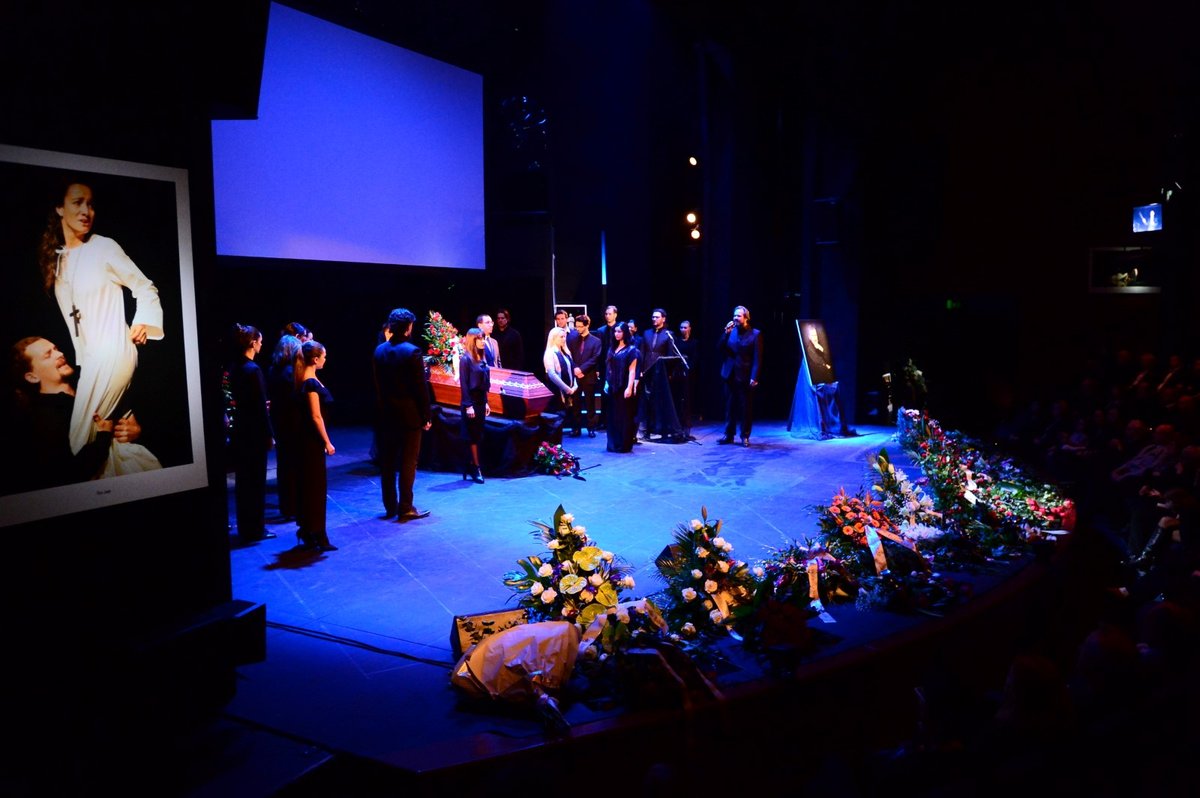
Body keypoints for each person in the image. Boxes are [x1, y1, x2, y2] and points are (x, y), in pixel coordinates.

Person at [37, 180, 164, 475]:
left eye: (91, 204)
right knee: (100, 435)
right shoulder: (57, 262)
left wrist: (143, 321)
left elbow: (145, 287)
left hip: (113, 351)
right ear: (59, 208)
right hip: (91, 359)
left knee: (79, 439)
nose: (86, 211)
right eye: (77, 202)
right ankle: (136, 476)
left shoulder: (103, 247)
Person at [10, 336, 143, 492]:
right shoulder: (44, 418)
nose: (59, 354)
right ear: (32, 377)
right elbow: (66, 474)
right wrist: (104, 436)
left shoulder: (88, 384)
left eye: (56, 349)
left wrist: (135, 430)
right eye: (48, 355)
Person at [373, 308, 433, 522]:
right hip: (409, 416)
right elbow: (420, 388)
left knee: (387, 462)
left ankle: (390, 506)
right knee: (408, 462)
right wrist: (426, 415)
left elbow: (378, 386)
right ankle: (405, 506)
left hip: (386, 414)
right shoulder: (412, 351)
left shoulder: (379, 350)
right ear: (408, 328)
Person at [228, 324, 275, 543]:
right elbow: (259, 408)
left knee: (244, 483)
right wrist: (269, 434)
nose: (262, 344)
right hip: (254, 433)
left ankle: (246, 528)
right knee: (256, 483)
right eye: (260, 341)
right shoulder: (253, 369)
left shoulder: (234, 367)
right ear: (253, 343)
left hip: (240, 431)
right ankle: (255, 529)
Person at [294, 340, 337, 552]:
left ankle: (311, 532)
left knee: (313, 487)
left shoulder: (312, 380)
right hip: (311, 443)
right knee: (315, 489)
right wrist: (327, 442)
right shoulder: (309, 383)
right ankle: (316, 533)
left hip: (311, 442)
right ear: (315, 358)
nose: (326, 360)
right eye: (324, 356)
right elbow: (316, 415)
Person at [267, 334, 303, 522]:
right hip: (291, 422)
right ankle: (294, 505)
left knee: (284, 464)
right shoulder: (290, 372)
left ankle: (286, 505)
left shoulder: (273, 369)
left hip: (279, 421)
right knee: (293, 465)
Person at [719, 305, 762, 447]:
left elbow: (757, 358)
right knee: (729, 406)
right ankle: (729, 434)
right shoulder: (730, 332)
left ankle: (745, 436)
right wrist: (725, 333)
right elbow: (719, 348)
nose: (735, 318)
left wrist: (754, 376)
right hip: (729, 373)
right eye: (734, 315)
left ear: (746, 318)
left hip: (745, 374)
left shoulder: (755, 334)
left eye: (738, 316)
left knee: (745, 407)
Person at [640, 308, 684, 441]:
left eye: (657, 317)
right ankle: (646, 430)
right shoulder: (646, 333)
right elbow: (642, 353)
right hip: (647, 371)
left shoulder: (668, 334)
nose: (654, 319)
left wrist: (669, 374)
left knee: (660, 402)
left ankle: (663, 429)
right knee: (647, 402)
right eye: (653, 317)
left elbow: (671, 356)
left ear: (663, 319)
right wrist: (640, 370)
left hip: (661, 374)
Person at [458, 327, 490, 484]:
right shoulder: (466, 359)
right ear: (473, 340)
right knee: (472, 436)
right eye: (480, 338)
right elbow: (464, 385)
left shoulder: (482, 357)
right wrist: (468, 405)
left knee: (478, 435)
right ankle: (475, 467)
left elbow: (484, 383)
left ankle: (475, 465)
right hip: (470, 402)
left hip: (480, 401)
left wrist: (486, 402)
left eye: (483, 338)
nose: (483, 341)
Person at [605, 321, 640, 453]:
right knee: (613, 416)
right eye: (615, 331)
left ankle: (624, 444)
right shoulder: (611, 349)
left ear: (625, 333)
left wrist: (629, 387)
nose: (617, 334)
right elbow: (608, 367)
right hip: (612, 386)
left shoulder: (631, 350)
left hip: (624, 385)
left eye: (619, 331)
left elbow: (632, 370)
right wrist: (606, 382)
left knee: (624, 416)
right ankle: (613, 444)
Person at [568, 314, 602, 438]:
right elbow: (569, 356)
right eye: (576, 326)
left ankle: (591, 428)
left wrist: (581, 369)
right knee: (575, 403)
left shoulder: (596, 341)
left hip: (588, 375)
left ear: (587, 325)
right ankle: (576, 428)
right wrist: (575, 368)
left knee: (590, 403)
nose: (578, 329)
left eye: (580, 326)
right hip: (576, 375)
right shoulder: (572, 339)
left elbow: (595, 358)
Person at [542, 326, 577, 414]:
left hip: (570, 391)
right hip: (557, 391)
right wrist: (567, 389)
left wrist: (575, 385)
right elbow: (552, 374)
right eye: (561, 337)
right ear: (554, 337)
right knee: (558, 418)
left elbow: (572, 370)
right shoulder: (550, 353)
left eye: (564, 336)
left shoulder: (566, 352)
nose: (563, 339)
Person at [674, 319, 698, 438]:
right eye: (681, 328)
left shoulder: (694, 342)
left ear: (689, 328)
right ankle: (677, 425)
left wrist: (689, 368)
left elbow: (694, 358)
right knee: (678, 399)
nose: (683, 330)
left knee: (687, 399)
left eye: (685, 327)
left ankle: (687, 425)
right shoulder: (677, 342)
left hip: (688, 373)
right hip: (678, 373)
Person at [492, 308, 524, 372]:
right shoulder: (493, 334)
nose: (500, 320)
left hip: (511, 368)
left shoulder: (514, 334)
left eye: (502, 318)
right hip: (497, 368)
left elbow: (519, 354)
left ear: (507, 319)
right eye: (498, 318)